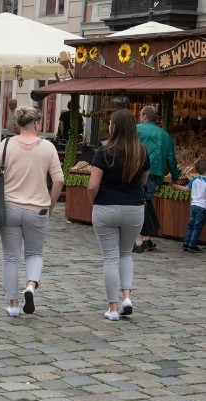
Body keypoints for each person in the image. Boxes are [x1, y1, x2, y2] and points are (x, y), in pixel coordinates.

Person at [0, 106, 64, 318]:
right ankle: (30, 286)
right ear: (37, 124)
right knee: (34, 253)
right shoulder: (48, 147)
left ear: (18, 125)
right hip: (38, 208)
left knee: (10, 258)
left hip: (10, 207)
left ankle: (13, 304)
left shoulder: (6, 144)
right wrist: (51, 205)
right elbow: (58, 180)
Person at [86, 109, 150, 321]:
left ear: (114, 127)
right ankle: (127, 297)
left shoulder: (103, 152)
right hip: (134, 208)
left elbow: (93, 185)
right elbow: (143, 181)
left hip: (106, 206)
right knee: (125, 254)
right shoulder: (141, 151)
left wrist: (93, 202)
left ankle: (113, 308)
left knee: (110, 258)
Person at [134, 105, 183, 252]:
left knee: (137, 203)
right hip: (155, 172)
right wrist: (175, 175)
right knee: (147, 202)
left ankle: (139, 239)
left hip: (137, 171)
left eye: (141, 115)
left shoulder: (137, 129)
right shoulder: (164, 134)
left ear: (144, 116)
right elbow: (171, 158)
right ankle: (146, 237)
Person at [175, 159, 206, 252]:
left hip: (193, 206)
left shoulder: (195, 179)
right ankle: (192, 244)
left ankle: (186, 243)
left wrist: (174, 186)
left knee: (190, 225)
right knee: (197, 226)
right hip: (202, 207)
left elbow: (185, 189)